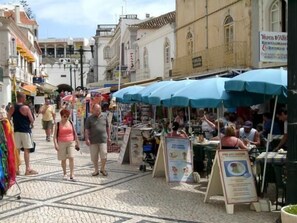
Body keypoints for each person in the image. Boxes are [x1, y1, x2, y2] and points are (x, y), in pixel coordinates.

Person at [7, 92, 37, 175]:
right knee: (27, 150)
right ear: (22, 98)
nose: (25, 99)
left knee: (17, 150)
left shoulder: (12, 107)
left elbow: (8, 118)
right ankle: (27, 169)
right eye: (24, 98)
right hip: (25, 131)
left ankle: (16, 169)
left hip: (16, 131)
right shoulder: (26, 108)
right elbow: (32, 120)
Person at [53, 109, 79, 181]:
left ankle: (72, 174)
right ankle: (65, 173)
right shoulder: (58, 124)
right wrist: (56, 144)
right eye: (64, 116)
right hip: (61, 142)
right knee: (63, 159)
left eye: (67, 116)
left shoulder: (71, 122)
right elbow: (54, 136)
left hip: (71, 142)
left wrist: (77, 142)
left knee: (71, 157)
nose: (66, 118)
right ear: (61, 116)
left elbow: (75, 133)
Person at [85, 104, 110, 176]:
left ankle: (103, 168)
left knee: (104, 155)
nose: (97, 112)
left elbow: (107, 127)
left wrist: (109, 137)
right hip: (93, 140)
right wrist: (87, 139)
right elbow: (86, 130)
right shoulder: (89, 118)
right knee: (94, 157)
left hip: (103, 139)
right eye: (96, 110)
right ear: (92, 110)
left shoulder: (105, 116)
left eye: (99, 110)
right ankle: (96, 170)